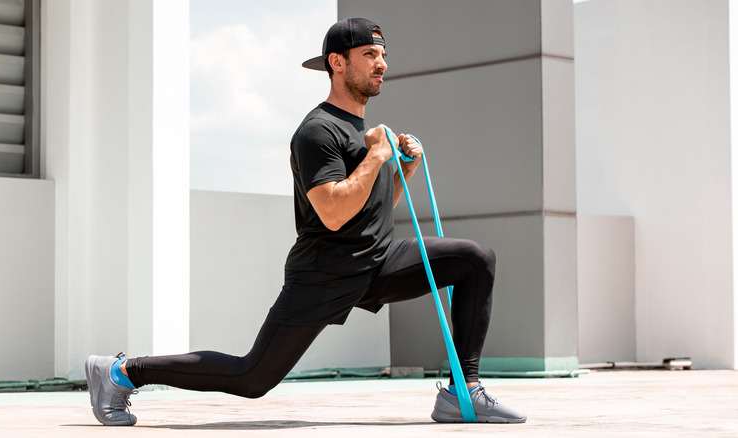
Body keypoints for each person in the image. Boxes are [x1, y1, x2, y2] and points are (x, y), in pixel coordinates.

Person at [85, 17, 526, 426]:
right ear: (338, 62)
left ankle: (461, 392)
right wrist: (376, 156)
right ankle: (122, 372)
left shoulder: (362, 131)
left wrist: (403, 173)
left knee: (475, 259)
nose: (383, 64)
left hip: (375, 262)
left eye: (383, 54)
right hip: (325, 272)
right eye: (370, 55)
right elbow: (333, 213)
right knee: (252, 378)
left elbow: (368, 211)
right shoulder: (317, 131)